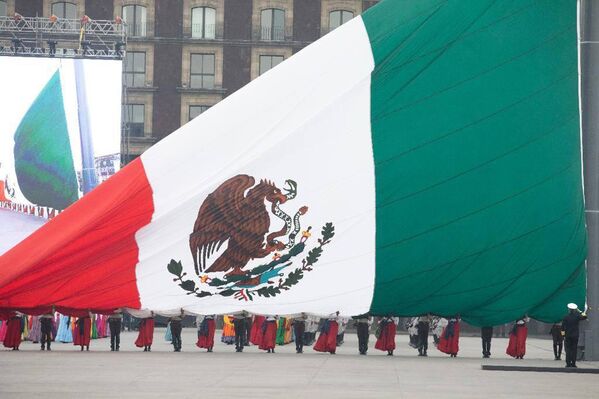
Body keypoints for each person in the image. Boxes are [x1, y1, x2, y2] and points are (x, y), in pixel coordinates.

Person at [562, 303, 588, 368]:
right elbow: (585, 316)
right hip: (575, 335)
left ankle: (568, 364)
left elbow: (562, 327)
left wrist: (563, 335)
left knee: (568, 350)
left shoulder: (566, 317)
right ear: (574, 310)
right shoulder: (577, 316)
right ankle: (573, 363)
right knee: (574, 350)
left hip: (568, 335)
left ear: (569, 309)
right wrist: (580, 311)